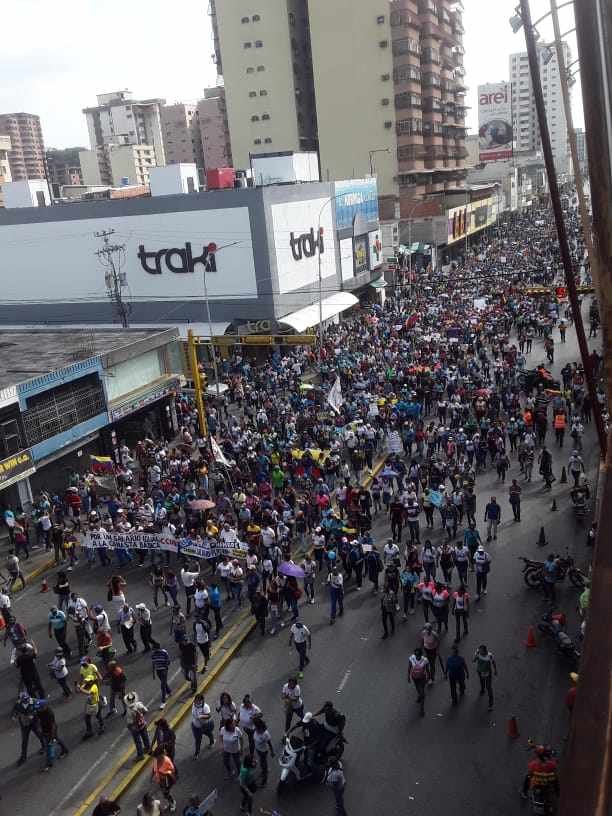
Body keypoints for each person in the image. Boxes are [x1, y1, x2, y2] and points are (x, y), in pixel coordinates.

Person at [13, 692, 45, 766]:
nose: (26, 700)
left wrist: (35, 712)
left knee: (39, 734)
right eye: (24, 700)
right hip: (25, 725)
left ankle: (44, 746)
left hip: (34, 723)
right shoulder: (18, 704)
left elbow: (44, 702)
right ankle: (23, 757)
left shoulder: (33, 701)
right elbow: (14, 712)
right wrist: (15, 716)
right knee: (24, 741)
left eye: (27, 699)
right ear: (21, 700)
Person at [36, 699, 69, 771]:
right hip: (45, 729)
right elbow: (38, 719)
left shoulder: (49, 714)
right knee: (56, 740)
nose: (38, 709)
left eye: (40, 708)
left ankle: (49, 763)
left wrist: (52, 737)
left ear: (44, 707)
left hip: (50, 730)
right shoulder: (40, 711)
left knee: (49, 747)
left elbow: (53, 726)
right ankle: (65, 750)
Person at [124, 691, 151, 758]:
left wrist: (129, 726)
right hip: (142, 723)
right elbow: (146, 710)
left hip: (134, 726)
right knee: (145, 736)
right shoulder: (139, 704)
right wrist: (142, 715)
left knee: (137, 741)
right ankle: (148, 748)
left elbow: (130, 721)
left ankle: (140, 754)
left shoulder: (129, 710)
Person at [151, 745, 177, 812]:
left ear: (161, 754)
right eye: (156, 757)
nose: (157, 758)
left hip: (167, 780)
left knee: (166, 793)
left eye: (158, 756)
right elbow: (154, 768)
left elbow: (172, 770)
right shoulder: (155, 760)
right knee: (164, 794)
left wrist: (165, 773)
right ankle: (170, 802)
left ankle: (173, 803)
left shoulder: (166, 760)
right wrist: (152, 775)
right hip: (160, 781)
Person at [474, 644, 497, 711]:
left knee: (489, 688)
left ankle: (490, 704)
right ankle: (482, 689)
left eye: (481, 651)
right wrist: (476, 655)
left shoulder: (489, 655)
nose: (480, 652)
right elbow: (474, 660)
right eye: (479, 650)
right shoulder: (478, 653)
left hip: (487, 673)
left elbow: (493, 662)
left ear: (485, 650)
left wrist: (495, 670)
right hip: (480, 671)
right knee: (481, 681)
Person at [408, 647, 431, 716]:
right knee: (418, 689)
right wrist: (408, 677)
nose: (417, 656)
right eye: (416, 654)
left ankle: (422, 709)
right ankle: (419, 695)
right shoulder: (412, 658)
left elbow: (427, 669)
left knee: (422, 693)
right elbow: (409, 667)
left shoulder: (425, 660)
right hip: (414, 678)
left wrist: (429, 677)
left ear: (421, 655)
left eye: (418, 655)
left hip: (422, 678)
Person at [253, 717, 274, 787]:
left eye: (256, 727)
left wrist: (272, 752)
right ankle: (264, 770)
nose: (255, 728)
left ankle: (264, 780)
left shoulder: (265, 734)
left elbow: (269, 743)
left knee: (263, 763)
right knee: (262, 762)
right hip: (258, 749)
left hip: (263, 751)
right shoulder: (256, 730)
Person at [191, 692, 214, 757]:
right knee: (198, 740)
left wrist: (201, 716)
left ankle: (212, 741)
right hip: (195, 726)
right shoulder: (193, 704)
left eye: (198, 700)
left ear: (201, 700)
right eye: (195, 700)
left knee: (208, 733)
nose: (196, 701)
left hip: (204, 725)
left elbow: (209, 716)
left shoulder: (205, 707)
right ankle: (197, 753)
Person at [150, 640, 172, 708]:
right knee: (164, 682)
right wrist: (153, 673)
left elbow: (168, 661)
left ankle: (163, 702)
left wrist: (165, 667)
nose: (153, 650)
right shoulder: (153, 654)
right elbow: (153, 663)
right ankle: (169, 691)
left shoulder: (164, 652)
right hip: (158, 671)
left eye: (154, 648)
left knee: (162, 686)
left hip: (164, 670)